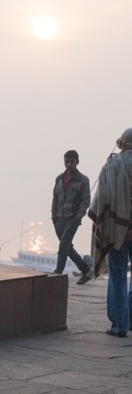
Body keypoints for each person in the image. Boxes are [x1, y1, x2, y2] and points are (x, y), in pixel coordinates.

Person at [88, 128, 132, 337]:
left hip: (117, 230)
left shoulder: (113, 165)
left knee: (117, 275)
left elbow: (99, 201)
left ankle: (120, 325)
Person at [51, 150, 93, 284]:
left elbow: (86, 201)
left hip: (72, 220)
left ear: (77, 162)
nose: (68, 165)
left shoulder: (83, 180)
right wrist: (53, 217)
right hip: (58, 220)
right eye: (66, 161)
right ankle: (85, 268)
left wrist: (78, 218)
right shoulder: (59, 179)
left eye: (71, 162)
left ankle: (58, 273)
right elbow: (55, 199)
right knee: (68, 248)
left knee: (63, 246)